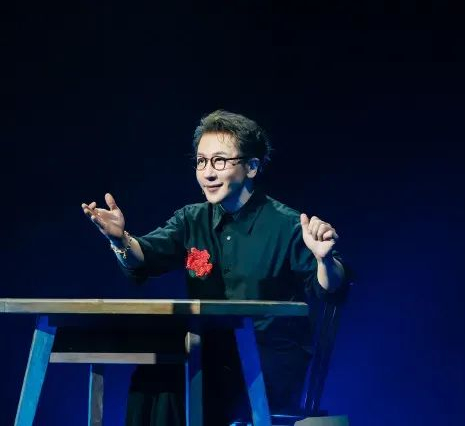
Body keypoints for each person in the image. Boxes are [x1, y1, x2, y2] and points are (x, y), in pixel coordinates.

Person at [81, 110, 347, 425]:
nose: (208, 172)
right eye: (201, 161)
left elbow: (331, 287)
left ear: (251, 167)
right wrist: (120, 239)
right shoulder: (191, 219)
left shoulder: (286, 224)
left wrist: (324, 259)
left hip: (266, 362)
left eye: (220, 161)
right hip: (208, 354)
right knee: (153, 376)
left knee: (182, 382)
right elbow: (144, 256)